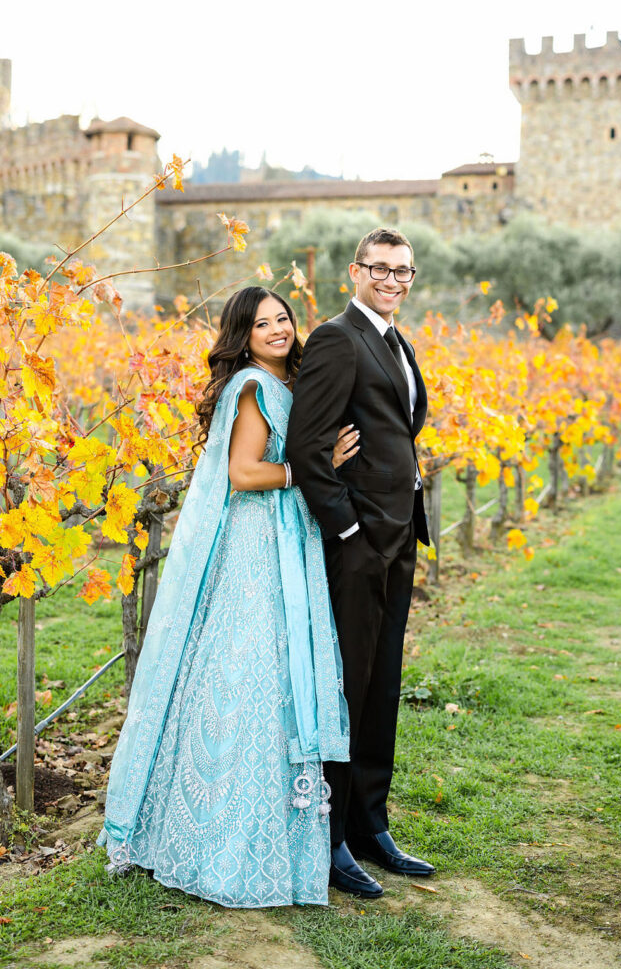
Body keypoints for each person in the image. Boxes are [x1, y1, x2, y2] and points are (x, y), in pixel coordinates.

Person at [98, 286, 353, 909]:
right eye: (261, 323)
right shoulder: (254, 387)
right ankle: (220, 837)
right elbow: (244, 473)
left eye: (283, 319)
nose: (277, 330)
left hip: (280, 534)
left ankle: (255, 829)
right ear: (242, 335)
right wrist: (310, 470)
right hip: (256, 543)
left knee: (264, 680)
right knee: (251, 674)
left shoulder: (280, 383)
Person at [286, 227, 435, 899]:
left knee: (381, 683)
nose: (392, 280)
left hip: (399, 536)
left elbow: (393, 429)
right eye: (379, 268)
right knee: (343, 685)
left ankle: (371, 823)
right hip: (357, 545)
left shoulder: (396, 340)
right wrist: (347, 530)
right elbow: (308, 447)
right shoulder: (335, 338)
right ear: (354, 271)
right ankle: (329, 837)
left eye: (402, 271)